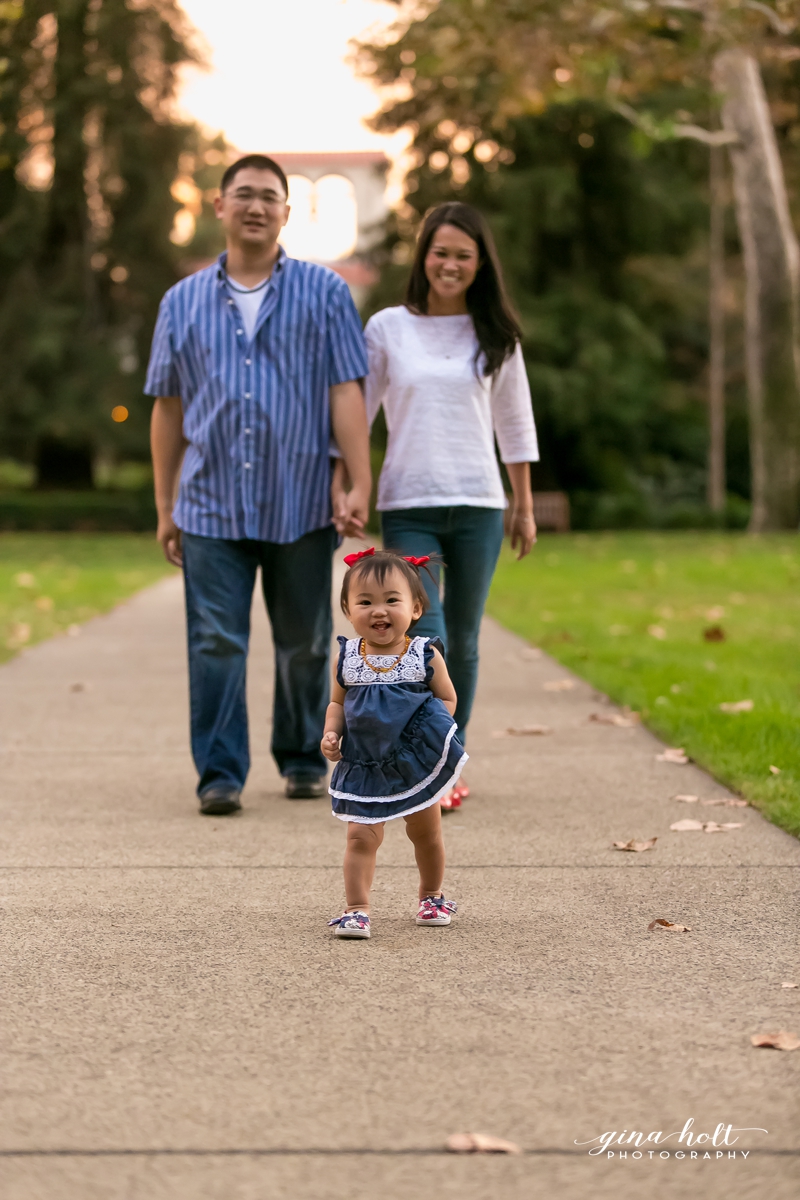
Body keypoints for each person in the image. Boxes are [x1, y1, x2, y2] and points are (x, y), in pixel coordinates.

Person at [146, 154, 371, 815]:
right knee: (216, 640)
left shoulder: (325, 293)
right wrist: (165, 507)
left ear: (286, 212)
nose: (255, 206)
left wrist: (359, 480)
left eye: (268, 196)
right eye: (242, 194)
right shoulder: (180, 301)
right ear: (218, 207)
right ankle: (219, 773)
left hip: (300, 502)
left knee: (303, 641)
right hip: (209, 504)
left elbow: (345, 390)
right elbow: (167, 406)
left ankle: (303, 757)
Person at [358, 201, 539, 811]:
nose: (451, 264)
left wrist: (523, 504)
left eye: (464, 255)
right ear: (423, 257)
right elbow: (358, 414)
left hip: (481, 504)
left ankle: (451, 761)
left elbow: (515, 424)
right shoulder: (387, 327)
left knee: (462, 641)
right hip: (409, 502)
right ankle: (422, 766)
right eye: (441, 253)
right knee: (424, 639)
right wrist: (349, 483)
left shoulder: (496, 335)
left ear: (480, 263)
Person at [321, 548, 465, 939]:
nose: (378, 611)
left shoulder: (424, 654)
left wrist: (432, 734)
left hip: (413, 759)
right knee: (360, 836)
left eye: (391, 600)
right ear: (348, 610)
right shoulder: (348, 658)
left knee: (425, 831)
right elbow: (338, 702)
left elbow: (448, 698)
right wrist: (331, 734)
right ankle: (357, 909)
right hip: (365, 762)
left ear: (416, 608)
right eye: (365, 602)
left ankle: (431, 895)